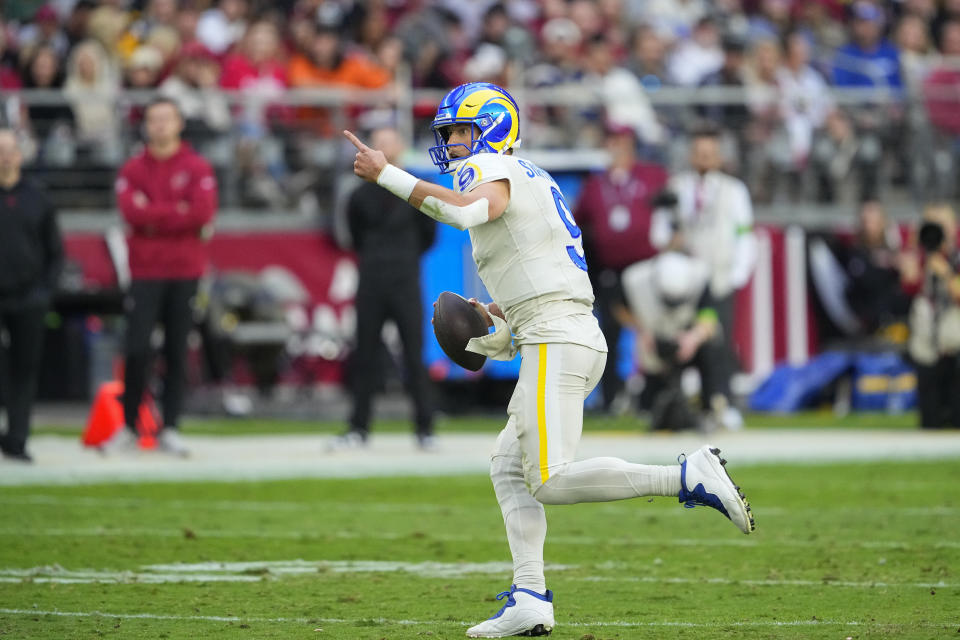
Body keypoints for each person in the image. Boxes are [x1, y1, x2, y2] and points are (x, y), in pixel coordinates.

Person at [344, 81, 754, 639]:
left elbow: (464, 215)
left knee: (546, 478)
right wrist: (499, 328)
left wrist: (389, 175)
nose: (455, 143)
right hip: (562, 330)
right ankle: (530, 596)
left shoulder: (488, 170)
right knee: (508, 468)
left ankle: (686, 474)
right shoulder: (532, 176)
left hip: (559, 337)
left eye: (463, 130)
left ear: (490, 130)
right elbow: (543, 286)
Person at [102, 97, 218, 457]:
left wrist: (154, 216)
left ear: (179, 122)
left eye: (166, 119)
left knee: (177, 350)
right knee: (136, 349)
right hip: (145, 271)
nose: (160, 126)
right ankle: (128, 425)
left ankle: (170, 426)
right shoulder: (133, 169)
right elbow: (130, 213)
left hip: (185, 271)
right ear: (146, 125)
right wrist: (175, 211)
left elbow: (201, 214)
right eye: (154, 119)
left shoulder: (197, 167)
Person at [331, 127, 437, 451]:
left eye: (389, 143)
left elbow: (428, 234)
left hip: (405, 280)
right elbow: (354, 235)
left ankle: (425, 428)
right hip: (372, 281)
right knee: (365, 355)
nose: (384, 149)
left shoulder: (416, 190)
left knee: (414, 355)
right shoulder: (359, 194)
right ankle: (358, 427)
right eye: (379, 144)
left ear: (401, 147)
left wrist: (402, 258)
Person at [651, 124, 757, 430]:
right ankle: (679, 403)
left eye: (710, 153)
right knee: (681, 339)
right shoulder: (676, 187)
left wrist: (737, 274)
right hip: (686, 283)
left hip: (720, 278)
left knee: (718, 342)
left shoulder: (734, 190)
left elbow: (744, 234)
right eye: (699, 153)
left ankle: (719, 401)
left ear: (719, 156)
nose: (704, 159)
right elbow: (659, 233)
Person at [573, 123, 668, 413]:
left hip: (646, 268)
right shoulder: (595, 183)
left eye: (621, 141)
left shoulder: (652, 176)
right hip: (610, 270)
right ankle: (611, 397)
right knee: (609, 333)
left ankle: (656, 396)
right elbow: (578, 222)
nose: (616, 147)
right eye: (611, 141)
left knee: (654, 329)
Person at [0, 128, 64, 463]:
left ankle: (18, 438)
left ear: (21, 155)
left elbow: (55, 251)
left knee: (25, 368)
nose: (6, 156)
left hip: (28, 297)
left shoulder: (38, 198)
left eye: (11, 149)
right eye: (1, 150)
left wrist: (44, 292)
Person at [617, 251, 725, 432]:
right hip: (652, 339)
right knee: (651, 396)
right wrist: (642, 331)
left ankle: (709, 409)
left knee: (712, 349)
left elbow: (710, 317)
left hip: (688, 339)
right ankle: (652, 408)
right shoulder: (634, 280)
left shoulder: (700, 278)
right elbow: (619, 307)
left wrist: (693, 338)